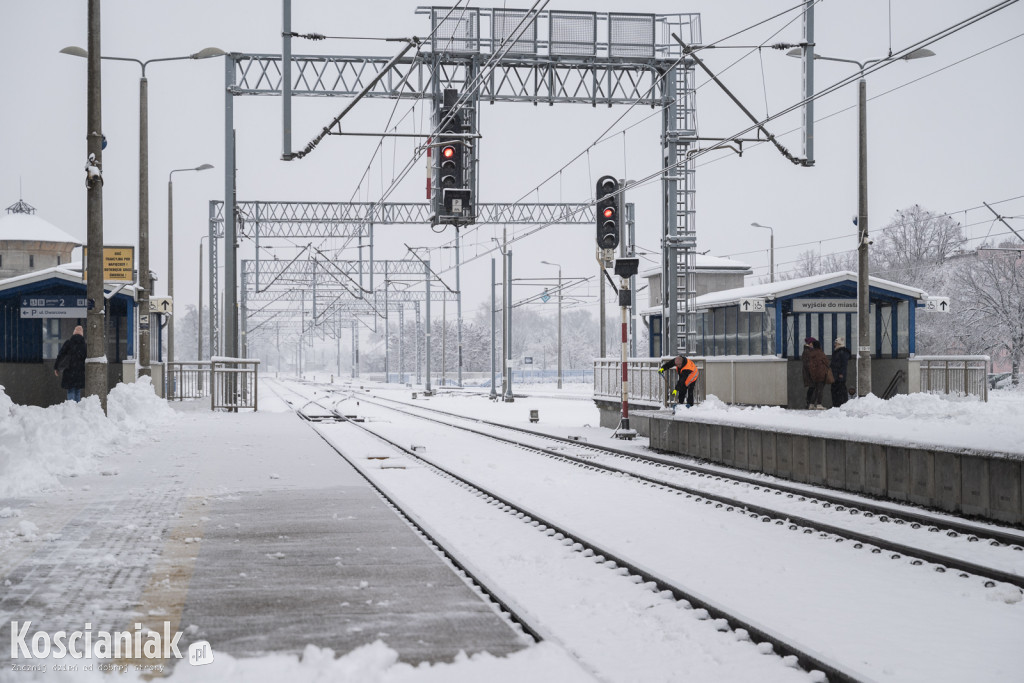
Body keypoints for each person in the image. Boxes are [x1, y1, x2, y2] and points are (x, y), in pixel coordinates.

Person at [54, 325, 87, 403]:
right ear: (82, 334)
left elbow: (60, 355)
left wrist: (56, 367)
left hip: (69, 370)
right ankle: (77, 407)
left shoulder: (68, 343)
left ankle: (71, 407)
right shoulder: (84, 346)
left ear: (74, 333)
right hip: (80, 371)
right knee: (77, 391)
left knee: (70, 390)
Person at [801, 337, 829, 410]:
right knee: (816, 389)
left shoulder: (809, 351)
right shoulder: (812, 352)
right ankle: (813, 403)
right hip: (815, 373)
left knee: (814, 389)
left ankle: (811, 404)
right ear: (810, 343)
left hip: (812, 373)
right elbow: (825, 362)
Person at [830, 337, 852, 408]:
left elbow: (843, 364)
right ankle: (838, 404)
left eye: (835, 343)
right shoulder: (839, 352)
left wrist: (841, 373)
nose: (834, 345)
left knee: (839, 390)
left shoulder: (841, 352)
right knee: (838, 389)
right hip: (836, 375)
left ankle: (839, 404)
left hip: (838, 375)